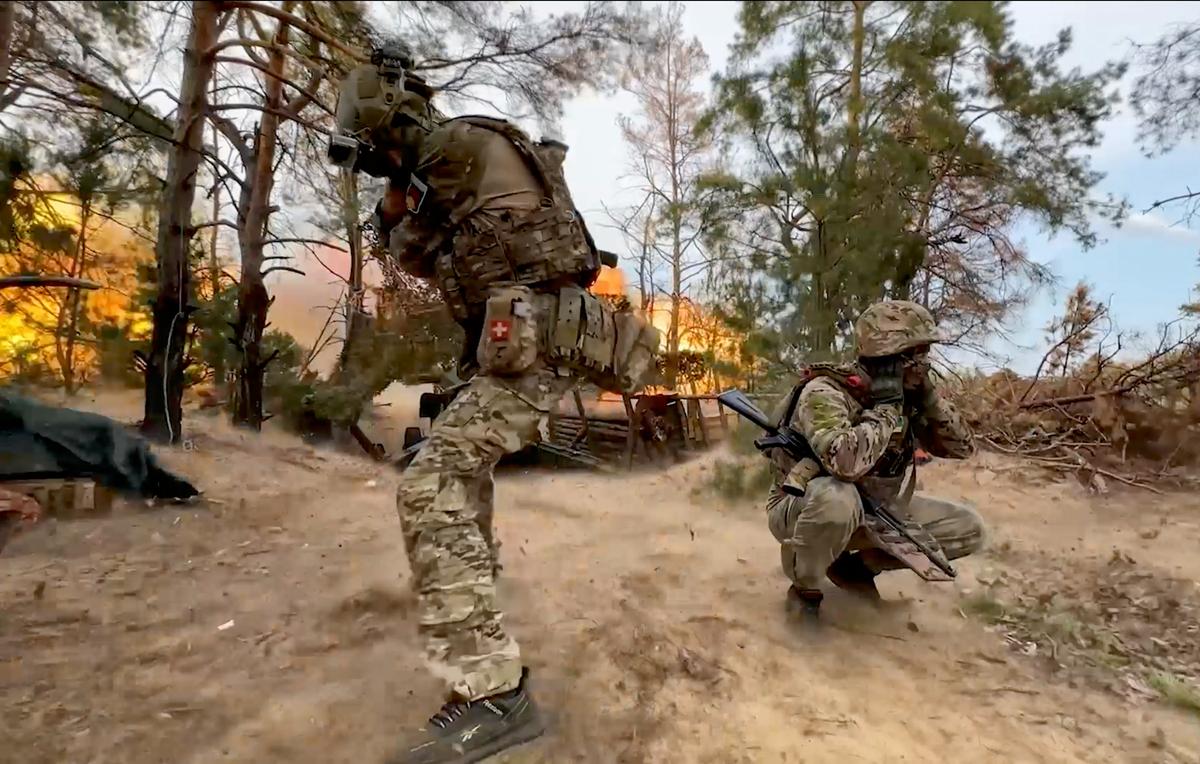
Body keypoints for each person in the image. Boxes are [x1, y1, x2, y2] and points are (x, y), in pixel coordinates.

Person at [328, 45, 658, 763]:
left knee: (432, 484)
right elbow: (417, 255)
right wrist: (398, 198)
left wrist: (393, 202)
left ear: (398, 125)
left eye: (379, 150)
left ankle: (494, 695)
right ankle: (474, 620)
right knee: (459, 478)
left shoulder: (456, 147)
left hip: (530, 343)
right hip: (520, 342)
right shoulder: (457, 154)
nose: (380, 163)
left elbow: (406, 247)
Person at [764, 300, 987, 621]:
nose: (924, 365)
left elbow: (962, 448)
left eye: (926, 354)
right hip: (802, 507)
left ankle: (854, 568)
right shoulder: (825, 392)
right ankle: (805, 589)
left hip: (877, 509)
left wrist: (930, 402)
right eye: (916, 356)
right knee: (835, 498)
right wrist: (885, 410)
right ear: (887, 359)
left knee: (968, 528)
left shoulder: (909, 396)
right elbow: (844, 464)